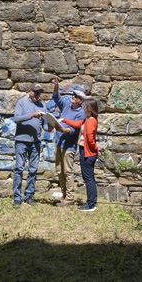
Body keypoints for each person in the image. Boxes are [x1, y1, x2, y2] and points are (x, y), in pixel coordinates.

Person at [51, 77, 86, 206]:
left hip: (68, 146)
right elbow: (56, 98)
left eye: (76, 96)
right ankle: (64, 194)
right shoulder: (66, 105)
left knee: (67, 171)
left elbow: (73, 130)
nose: (73, 97)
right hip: (59, 143)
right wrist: (56, 86)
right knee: (59, 171)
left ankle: (70, 197)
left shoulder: (81, 113)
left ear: (81, 101)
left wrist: (60, 128)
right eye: (73, 95)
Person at [60, 97, 99, 212]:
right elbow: (77, 124)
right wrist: (64, 120)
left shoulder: (91, 121)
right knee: (89, 177)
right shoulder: (87, 119)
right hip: (86, 151)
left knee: (88, 178)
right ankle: (92, 201)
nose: (83, 108)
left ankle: (90, 204)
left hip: (88, 152)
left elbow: (90, 139)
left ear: (90, 109)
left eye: (85, 107)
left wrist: (94, 149)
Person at [12, 82, 47, 207]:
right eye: (35, 92)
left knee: (33, 169)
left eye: (39, 93)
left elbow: (45, 124)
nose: (38, 95)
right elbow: (17, 118)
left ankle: (29, 196)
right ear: (29, 91)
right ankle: (17, 197)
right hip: (22, 141)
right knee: (19, 168)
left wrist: (52, 126)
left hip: (36, 142)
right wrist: (32, 115)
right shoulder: (22, 103)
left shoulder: (43, 105)